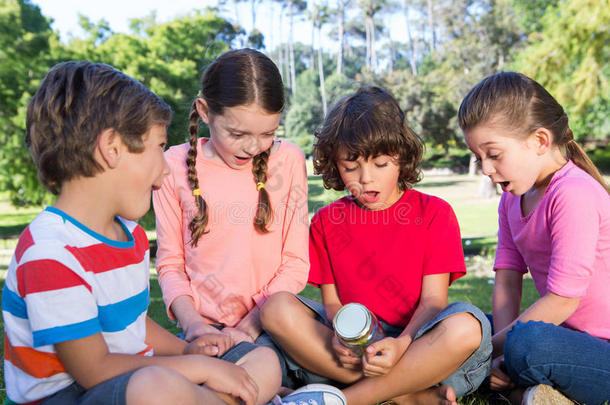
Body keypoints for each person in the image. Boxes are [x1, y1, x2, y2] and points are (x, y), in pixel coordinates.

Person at [1, 60, 286, 405]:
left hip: (132, 378)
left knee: (260, 359)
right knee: (155, 386)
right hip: (70, 395)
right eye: (158, 148)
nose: (166, 169)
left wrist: (189, 348)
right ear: (112, 149)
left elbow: (133, 326)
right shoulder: (50, 251)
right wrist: (199, 368)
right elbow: (93, 369)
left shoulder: (130, 236)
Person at [260, 86, 493, 405]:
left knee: (467, 327)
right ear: (335, 164)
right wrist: (342, 339)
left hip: (418, 344)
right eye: (350, 167)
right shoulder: (327, 222)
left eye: (380, 164)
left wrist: (401, 345)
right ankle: (407, 395)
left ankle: (345, 399)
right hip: (352, 354)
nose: (366, 179)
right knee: (275, 308)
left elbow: (433, 302)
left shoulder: (434, 214)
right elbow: (332, 304)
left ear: (401, 156)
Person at [152, 48, 345, 404]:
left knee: (257, 365)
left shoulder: (286, 160)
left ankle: (274, 387)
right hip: (205, 329)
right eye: (238, 133)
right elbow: (170, 263)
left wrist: (249, 327)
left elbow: (294, 261)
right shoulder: (171, 166)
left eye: (267, 133)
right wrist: (194, 324)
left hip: (271, 324)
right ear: (205, 111)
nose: (254, 147)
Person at [458, 71, 610, 405]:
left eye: (494, 154)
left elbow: (563, 300)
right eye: (478, 157)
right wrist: (489, 347)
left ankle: (508, 382)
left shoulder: (573, 194)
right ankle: (530, 391)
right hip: (561, 338)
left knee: (525, 343)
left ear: (540, 141)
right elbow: (508, 281)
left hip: (601, 354)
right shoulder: (511, 199)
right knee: (461, 323)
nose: (485, 168)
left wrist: (489, 351)